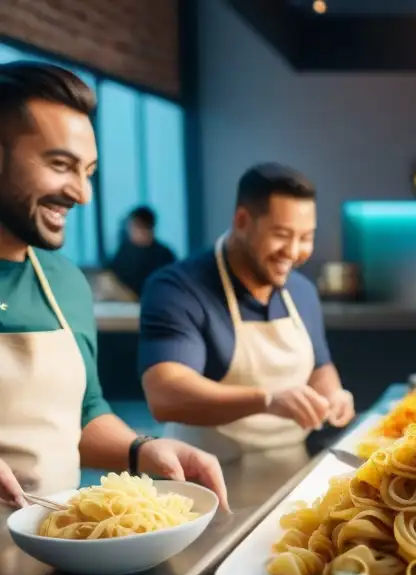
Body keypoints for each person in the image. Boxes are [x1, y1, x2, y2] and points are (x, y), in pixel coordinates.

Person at [0, 62, 226, 509]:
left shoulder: (65, 282)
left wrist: (142, 450)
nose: (82, 193)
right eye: (60, 165)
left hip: (52, 544)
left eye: (88, 171)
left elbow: (82, 413)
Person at [138, 164, 355, 462]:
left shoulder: (302, 290)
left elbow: (320, 366)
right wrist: (267, 399)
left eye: (305, 237)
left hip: (290, 467)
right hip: (202, 476)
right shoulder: (178, 288)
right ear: (241, 221)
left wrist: (333, 394)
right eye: (281, 234)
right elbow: (166, 394)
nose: (293, 252)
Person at [106, 205, 176, 298]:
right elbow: (113, 274)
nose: (130, 231)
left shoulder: (163, 255)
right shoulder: (125, 252)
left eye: (134, 227)